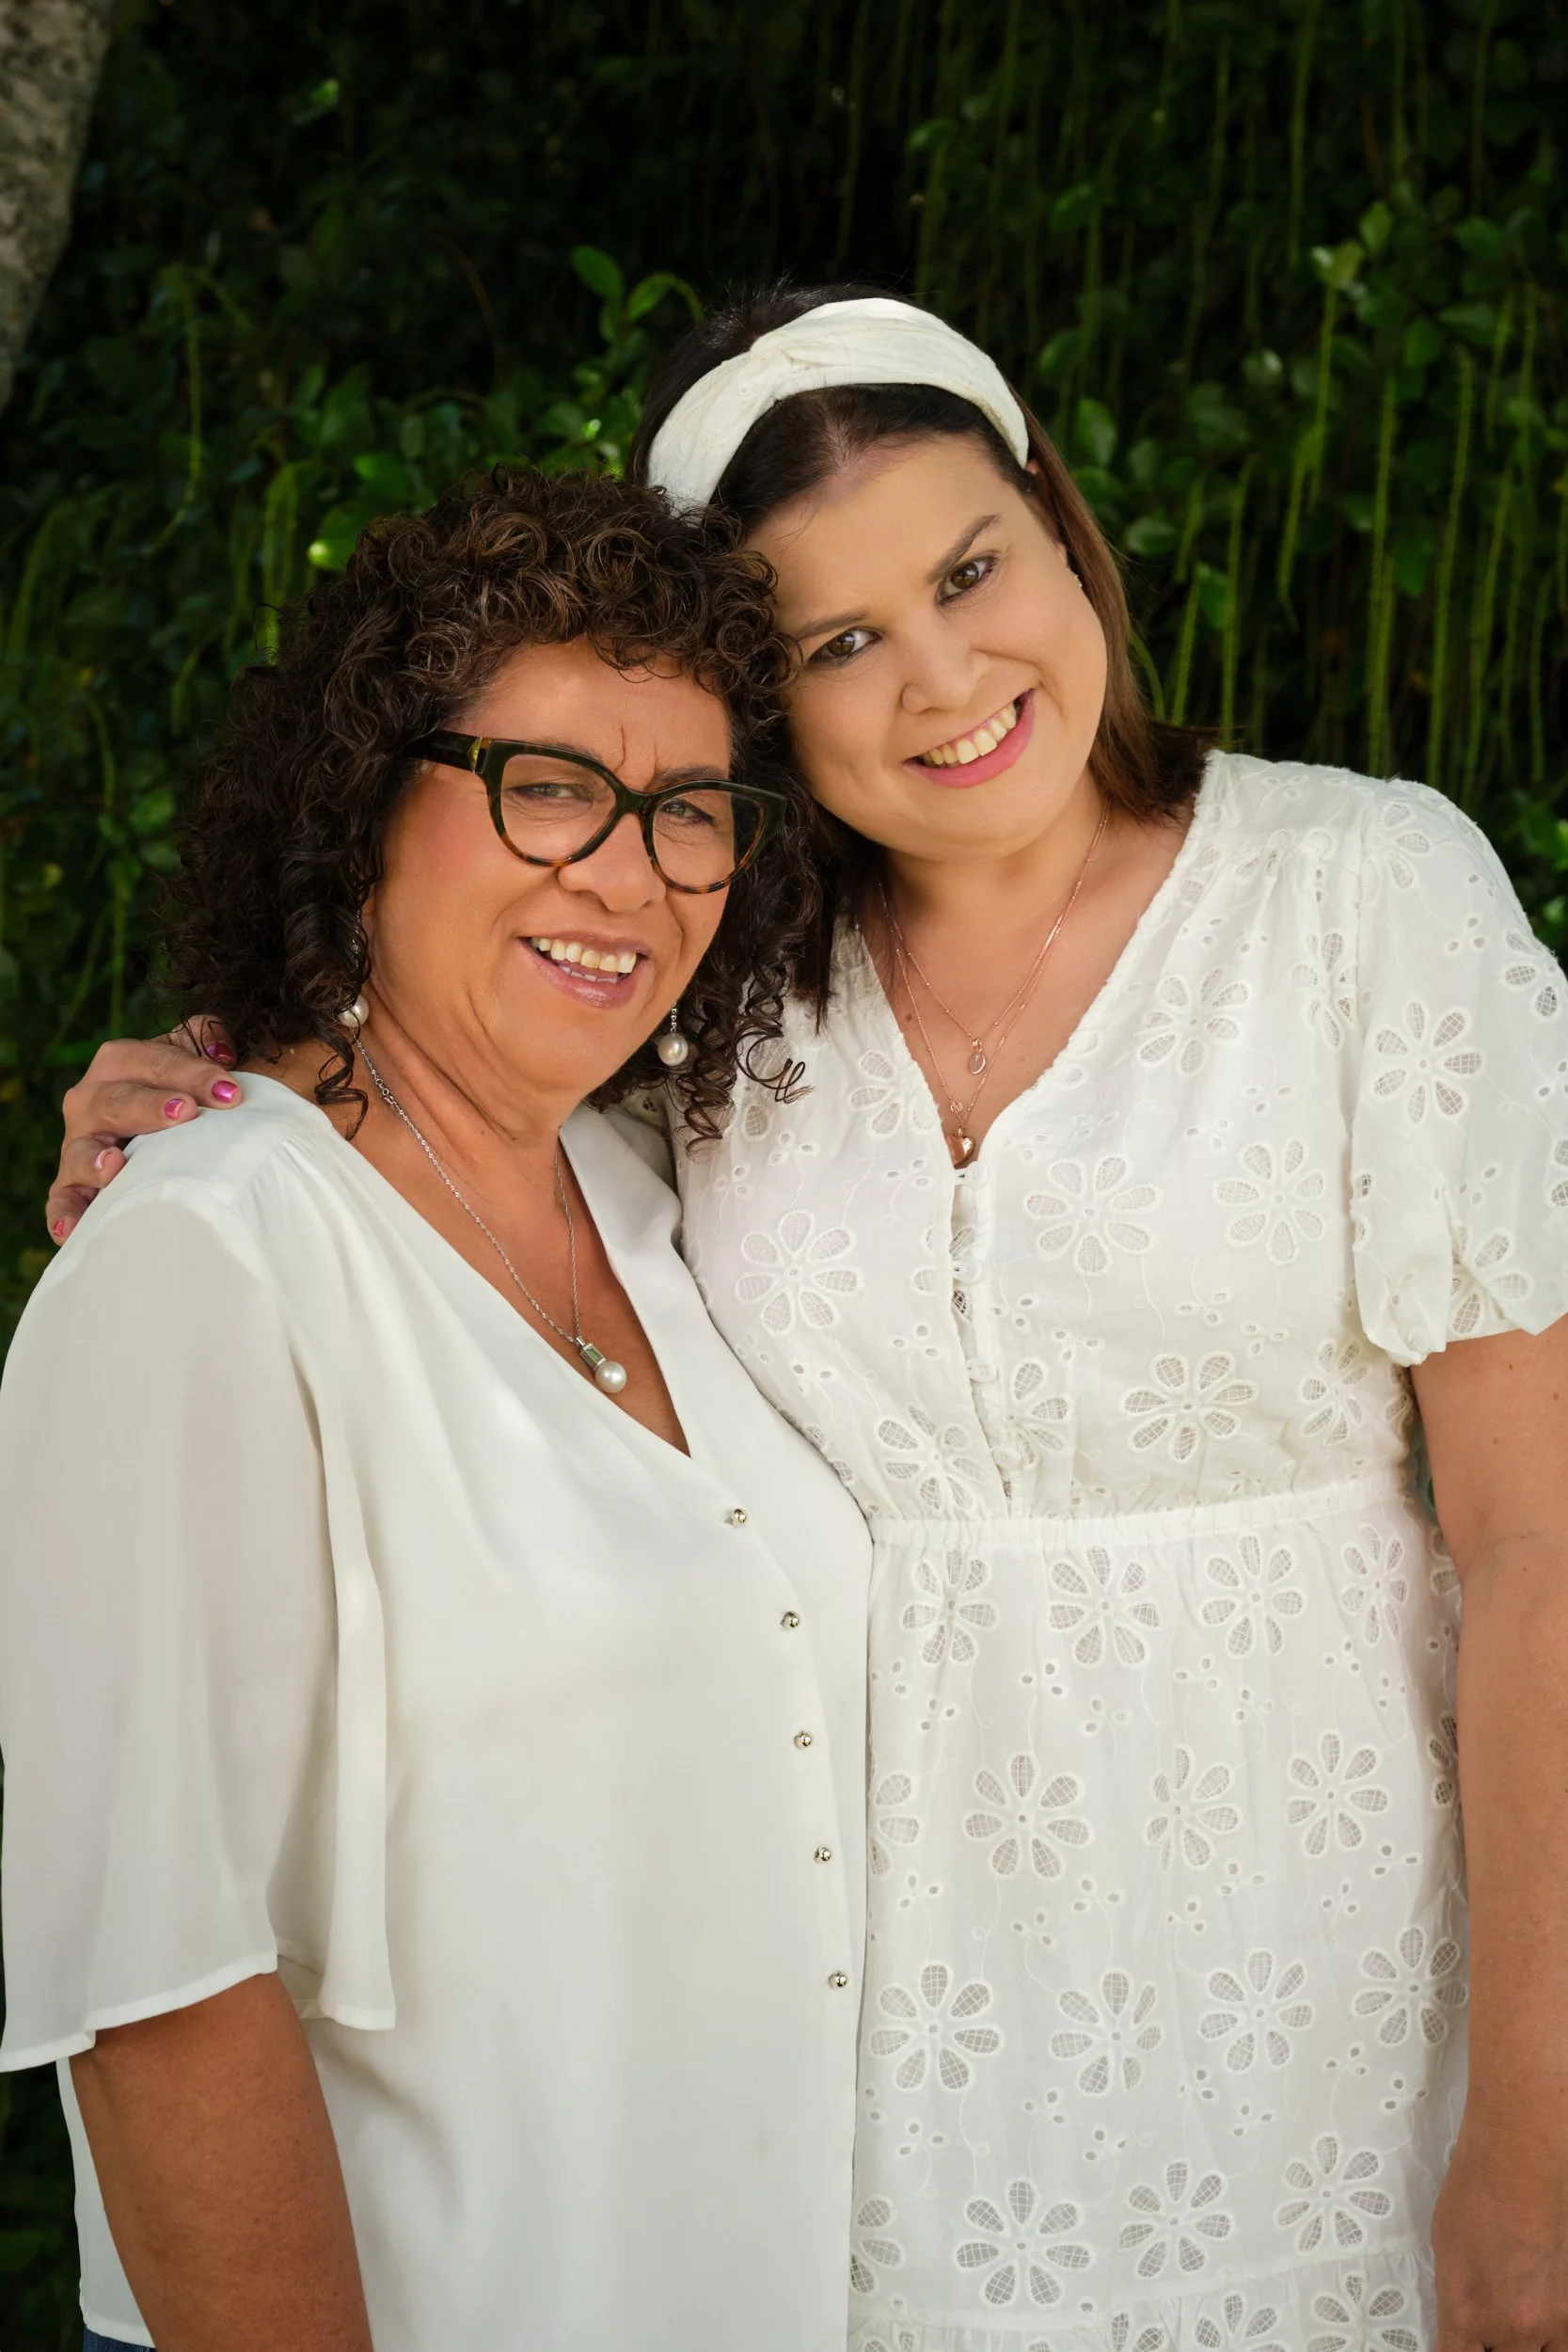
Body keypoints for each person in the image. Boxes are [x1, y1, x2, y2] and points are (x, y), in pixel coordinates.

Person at [50, 288, 1568, 2352]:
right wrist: (218, 1092)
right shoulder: (723, 1003)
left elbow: (1534, 1544)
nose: (940, 677)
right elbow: (434, 1114)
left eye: (966, 571)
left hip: (1347, 2054)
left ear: (1059, 529)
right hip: (871, 2137)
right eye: (835, 643)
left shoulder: (1367, 894)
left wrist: (1531, 2135)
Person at [3, 466, 872, 2352]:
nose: (628, 876)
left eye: (689, 809)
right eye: (547, 787)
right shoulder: (204, 1258)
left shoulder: (667, 1200)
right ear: (364, 810)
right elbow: (160, 1999)